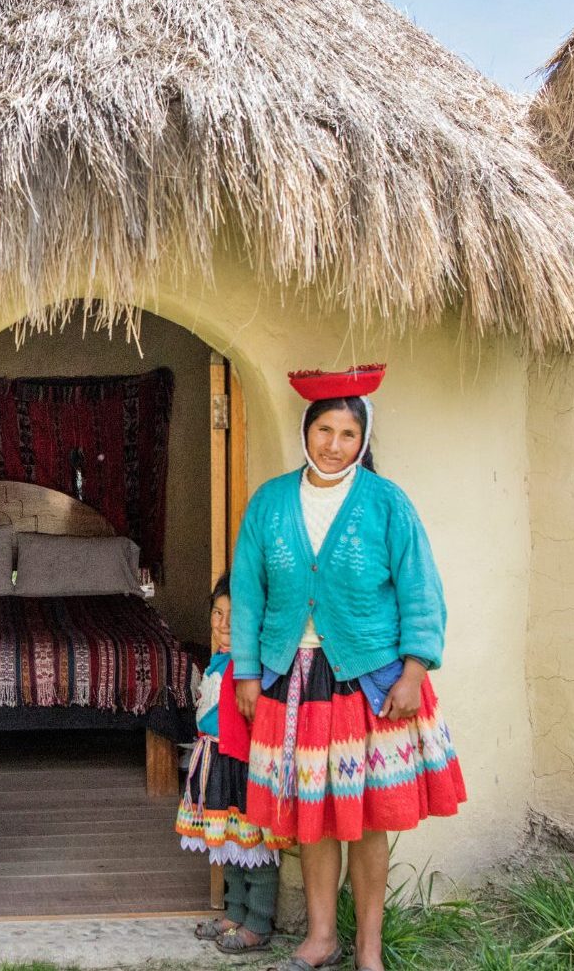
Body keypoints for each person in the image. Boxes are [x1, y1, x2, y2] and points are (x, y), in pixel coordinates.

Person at [229, 365, 466, 971]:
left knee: (364, 819)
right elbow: (249, 595)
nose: (334, 445)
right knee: (316, 818)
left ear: (363, 441)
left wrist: (414, 673)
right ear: (306, 431)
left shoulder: (387, 503)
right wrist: (249, 673)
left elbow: (421, 591)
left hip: (370, 680)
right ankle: (320, 938)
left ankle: (369, 948)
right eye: (324, 430)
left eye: (348, 435)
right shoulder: (271, 502)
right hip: (295, 679)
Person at [176, 573, 279, 954]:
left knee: (255, 846)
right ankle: (234, 912)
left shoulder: (250, 668)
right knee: (228, 843)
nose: (222, 625)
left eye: (233, 616)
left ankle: (258, 921)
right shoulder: (218, 661)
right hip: (217, 761)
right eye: (217, 614)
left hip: (242, 767)